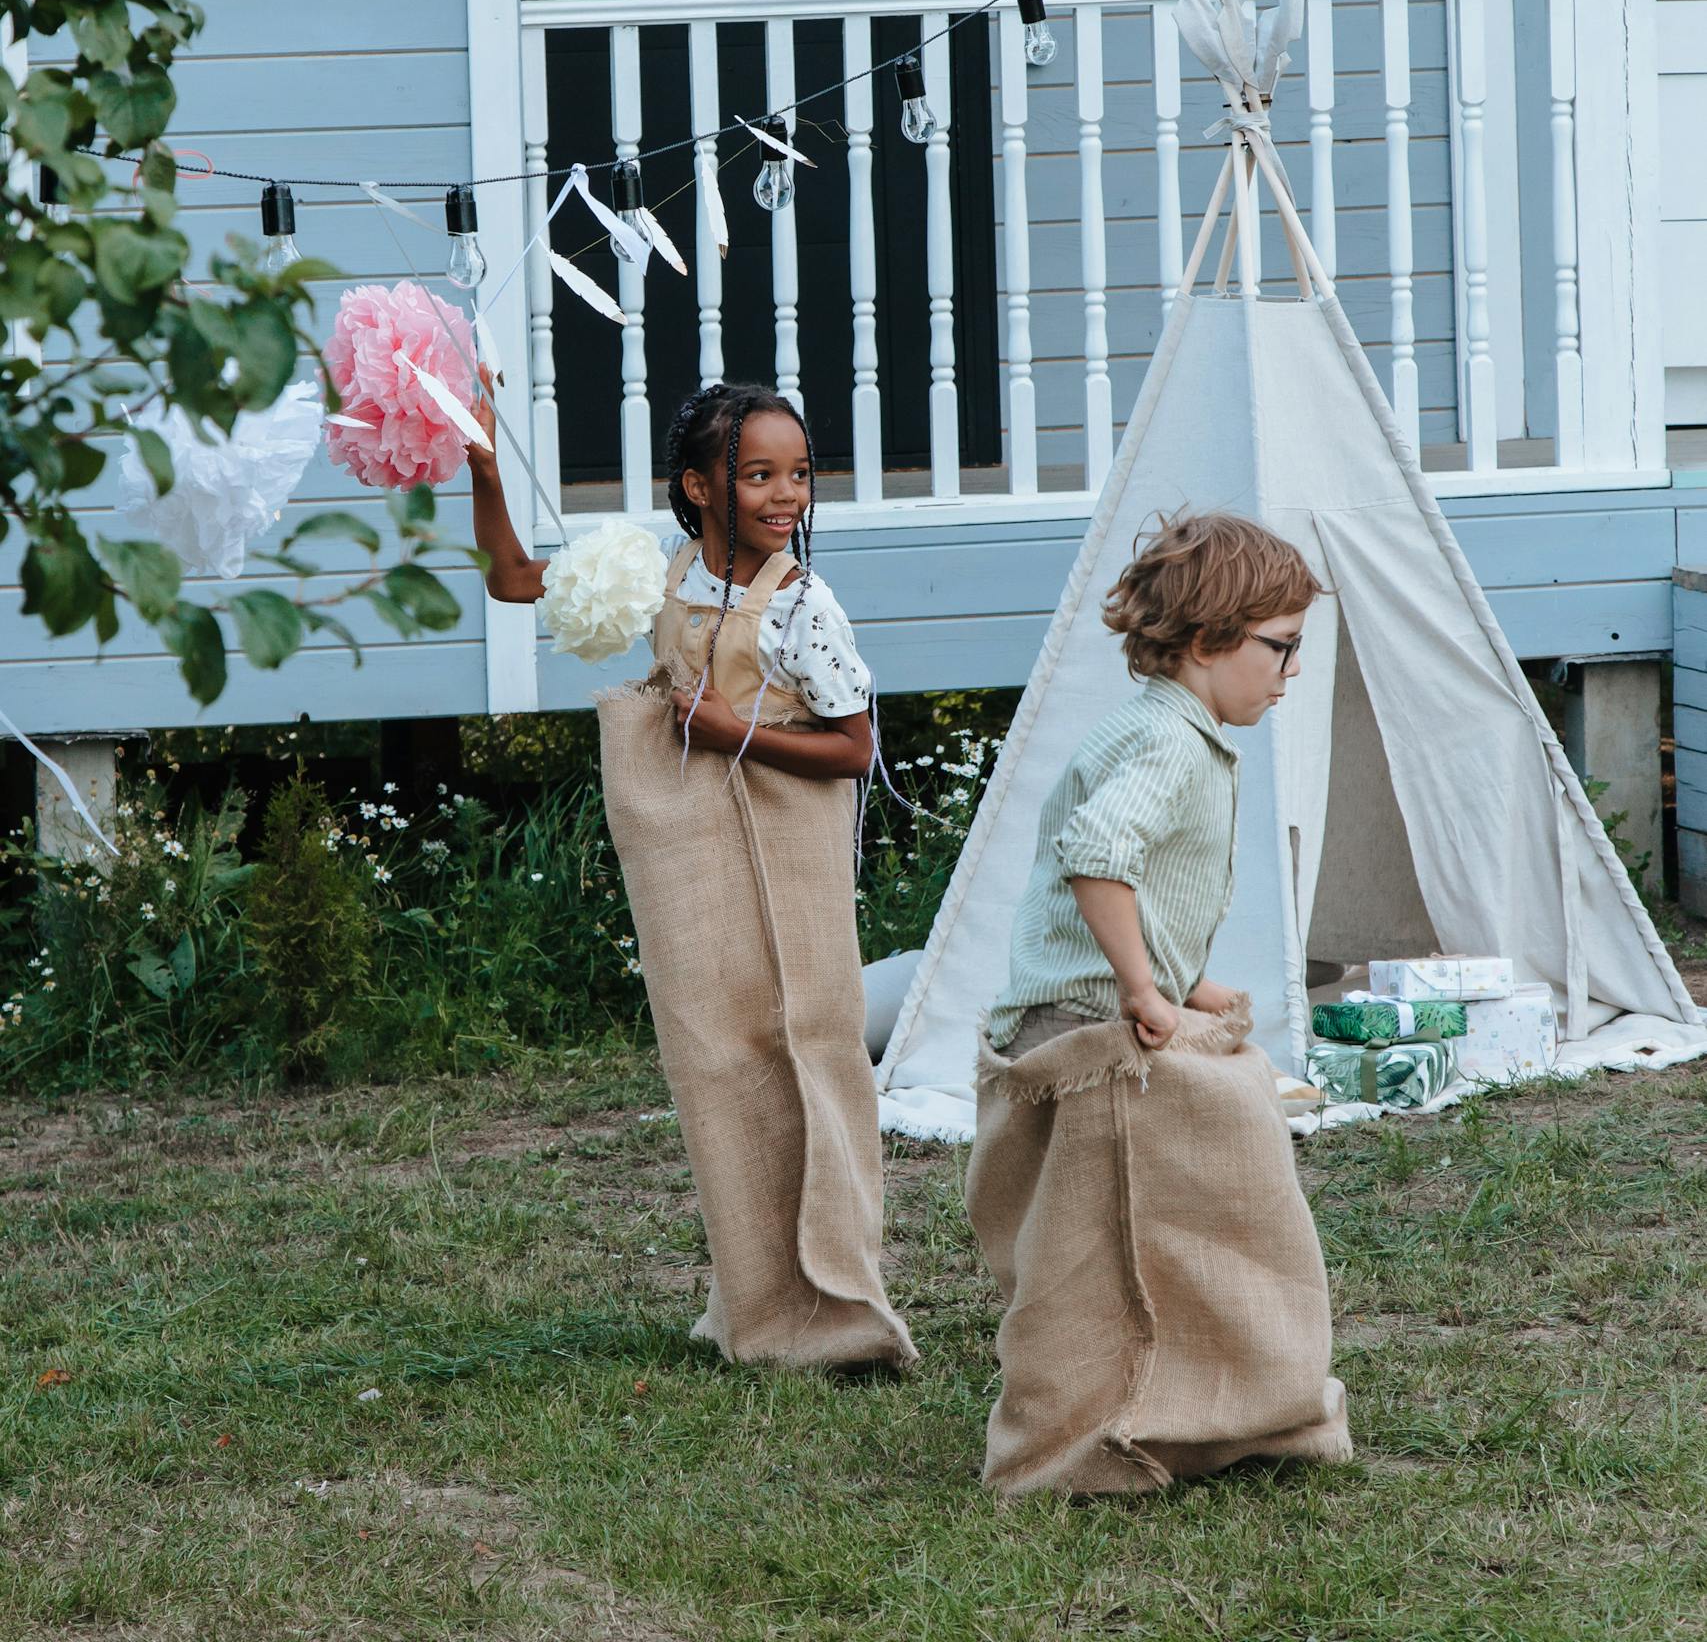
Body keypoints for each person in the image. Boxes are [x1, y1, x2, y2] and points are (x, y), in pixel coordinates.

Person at [472, 377, 916, 1375]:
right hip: (700, 864)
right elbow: (508, 578)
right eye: (757, 473)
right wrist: (485, 465)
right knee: (720, 1062)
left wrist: (732, 730)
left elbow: (856, 750)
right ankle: (760, 1302)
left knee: (812, 1047)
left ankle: (845, 1300)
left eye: (798, 473)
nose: (785, 494)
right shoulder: (660, 575)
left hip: (788, 858)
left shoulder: (804, 606)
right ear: (698, 487)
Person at [966, 511, 1352, 1496]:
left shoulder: (1156, 728)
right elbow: (1099, 856)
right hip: (1084, 1032)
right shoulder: (1169, 747)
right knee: (1099, 1239)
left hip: (1099, 1006)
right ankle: (1093, 1427)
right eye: (1281, 646)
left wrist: (1185, 980)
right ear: (1211, 635)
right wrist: (1143, 989)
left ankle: (1212, 1391)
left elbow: (1139, 880)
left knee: (1183, 1190)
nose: (1290, 670)